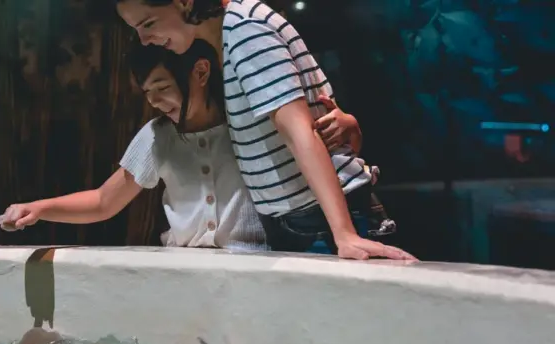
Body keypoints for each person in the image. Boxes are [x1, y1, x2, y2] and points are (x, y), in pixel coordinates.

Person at [0, 38, 361, 252]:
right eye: (147, 92)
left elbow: (317, 144)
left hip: (254, 264)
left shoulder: (249, 123)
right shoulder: (157, 136)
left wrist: (349, 125)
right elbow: (104, 201)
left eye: (163, 87)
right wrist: (39, 207)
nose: (154, 101)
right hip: (182, 269)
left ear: (200, 73)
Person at [115, 0, 414, 260]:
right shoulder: (225, 40)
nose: (143, 39)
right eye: (136, 29)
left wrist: (344, 233)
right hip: (295, 220)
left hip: (318, 220)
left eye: (148, 23)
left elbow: (297, 130)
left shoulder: (245, 30)